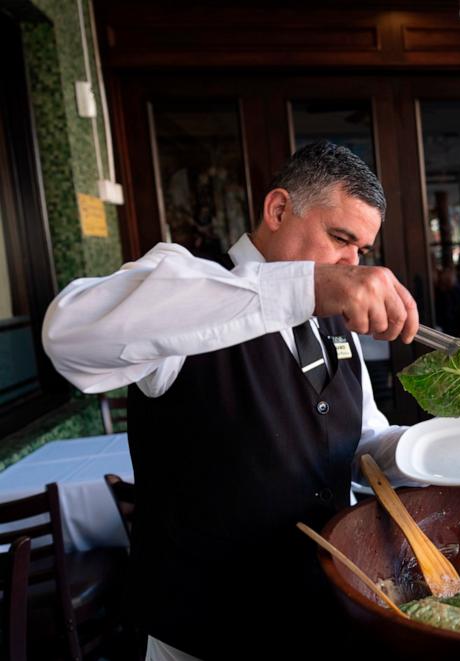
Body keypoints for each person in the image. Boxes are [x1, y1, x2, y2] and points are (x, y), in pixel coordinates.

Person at [42, 142, 420, 660]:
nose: (351, 265)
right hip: (205, 630)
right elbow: (69, 336)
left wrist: (433, 452)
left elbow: (359, 442)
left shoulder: (334, 320)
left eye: (361, 251)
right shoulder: (186, 288)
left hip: (323, 609)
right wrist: (304, 285)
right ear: (278, 209)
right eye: (340, 239)